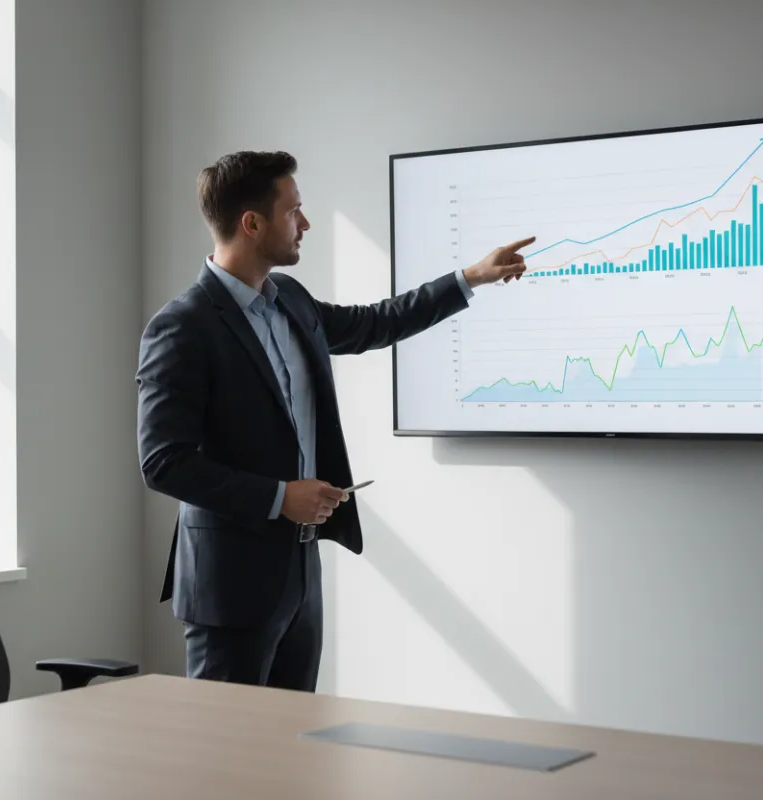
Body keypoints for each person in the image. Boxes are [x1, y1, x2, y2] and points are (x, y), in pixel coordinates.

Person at [136, 150, 532, 692]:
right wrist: (281, 497)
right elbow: (164, 463)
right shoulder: (182, 326)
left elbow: (374, 324)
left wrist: (471, 278)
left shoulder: (290, 300)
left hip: (300, 576)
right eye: (292, 210)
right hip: (229, 585)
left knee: (293, 740)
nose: (305, 223)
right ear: (252, 224)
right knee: (225, 741)